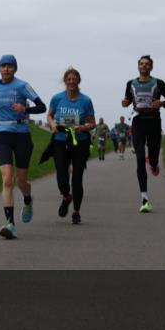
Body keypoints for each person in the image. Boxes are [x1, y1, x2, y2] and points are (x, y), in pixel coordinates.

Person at [0, 55, 46, 239]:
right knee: (7, 179)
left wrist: (25, 110)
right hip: (2, 133)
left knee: (21, 182)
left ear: (15, 68)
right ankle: (10, 224)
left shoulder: (22, 85)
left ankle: (27, 199)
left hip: (22, 135)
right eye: (3, 66)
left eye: (10, 66)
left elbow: (42, 107)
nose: (6, 69)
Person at [122, 55, 165, 213]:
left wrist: (162, 103)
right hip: (138, 122)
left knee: (152, 157)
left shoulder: (159, 83)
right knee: (139, 158)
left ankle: (153, 163)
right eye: (141, 64)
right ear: (138, 66)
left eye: (147, 64)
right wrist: (125, 102)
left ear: (151, 67)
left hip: (154, 121)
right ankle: (144, 199)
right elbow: (127, 99)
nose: (144, 66)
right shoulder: (130, 83)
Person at [48, 68, 96, 225]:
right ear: (65, 81)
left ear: (78, 81)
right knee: (61, 176)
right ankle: (66, 196)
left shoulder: (86, 101)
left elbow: (92, 123)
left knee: (77, 178)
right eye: (68, 79)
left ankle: (76, 211)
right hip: (60, 140)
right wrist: (53, 124)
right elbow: (49, 115)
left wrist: (82, 127)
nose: (71, 82)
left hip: (79, 142)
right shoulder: (57, 98)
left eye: (74, 79)